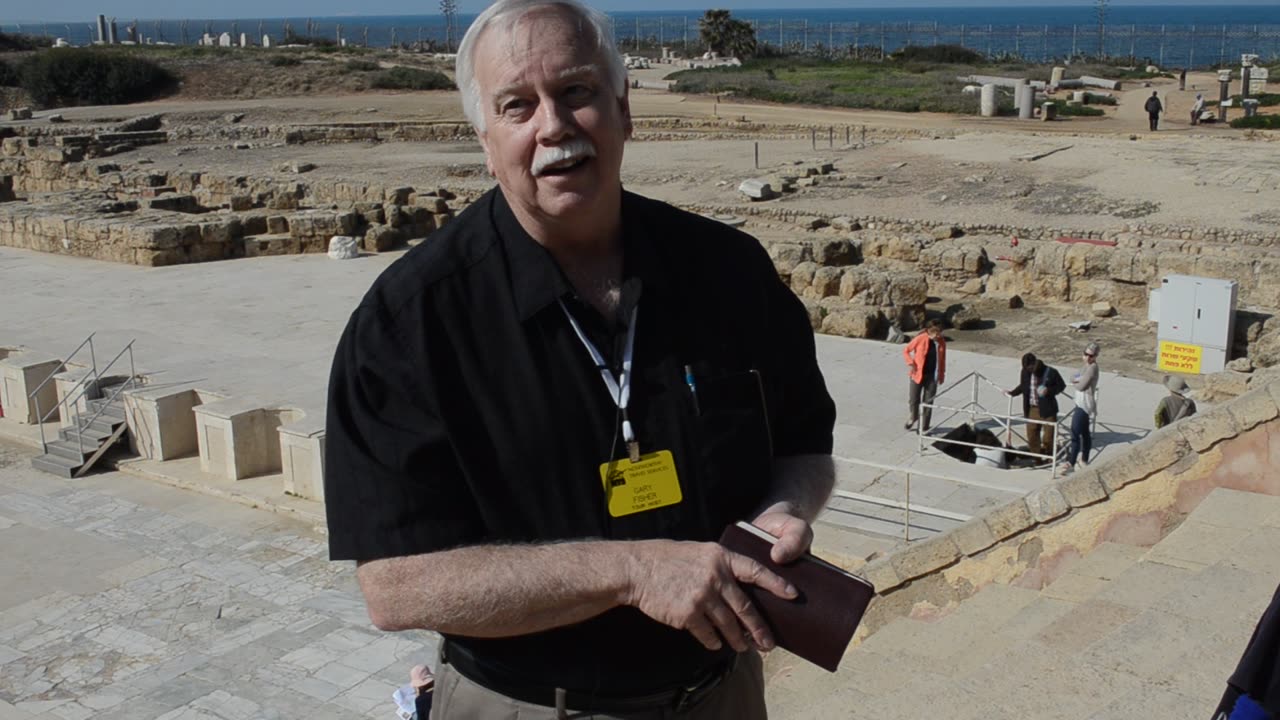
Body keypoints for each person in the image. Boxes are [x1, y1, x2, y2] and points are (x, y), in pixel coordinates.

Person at [323, 1, 837, 718]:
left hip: (720, 696)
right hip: (527, 706)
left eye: (576, 92)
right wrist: (630, 571)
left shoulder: (730, 271)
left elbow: (805, 442)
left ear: (624, 109)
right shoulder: (408, 325)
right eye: (517, 105)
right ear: (485, 136)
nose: (553, 126)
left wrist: (785, 507)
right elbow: (395, 587)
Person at [1006, 353, 1066, 463]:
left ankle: (1049, 458)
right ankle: (1037, 459)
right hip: (1032, 409)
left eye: (1030, 368)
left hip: (1048, 409)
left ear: (1035, 363)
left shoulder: (1050, 372)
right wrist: (1012, 393)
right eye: (1026, 368)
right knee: (1032, 436)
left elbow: (1061, 386)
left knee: (1048, 437)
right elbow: (1023, 386)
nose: (1029, 370)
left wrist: (1049, 391)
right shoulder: (1025, 372)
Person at [1062, 342, 1100, 475]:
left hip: (1084, 404)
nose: (1088, 358)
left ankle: (1071, 462)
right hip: (1080, 402)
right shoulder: (1085, 367)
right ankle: (1084, 460)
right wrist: (1077, 380)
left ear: (1095, 356)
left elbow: (1081, 386)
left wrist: (1076, 381)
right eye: (1086, 354)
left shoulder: (1092, 368)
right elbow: (1073, 376)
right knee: (1084, 433)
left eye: (1091, 356)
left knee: (1075, 433)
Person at [903, 319, 946, 432]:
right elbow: (906, 350)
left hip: (932, 376)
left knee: (928, 402)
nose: (938, 335)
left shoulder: (941, 342)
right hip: (917, 374)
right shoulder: (920, 338)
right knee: (913, 400)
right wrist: (910, 362)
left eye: (939, 332)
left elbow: (942, 359)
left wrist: (941, 374)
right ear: (929, 331)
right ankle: (914, 416)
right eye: (935, 332)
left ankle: (924, 427)